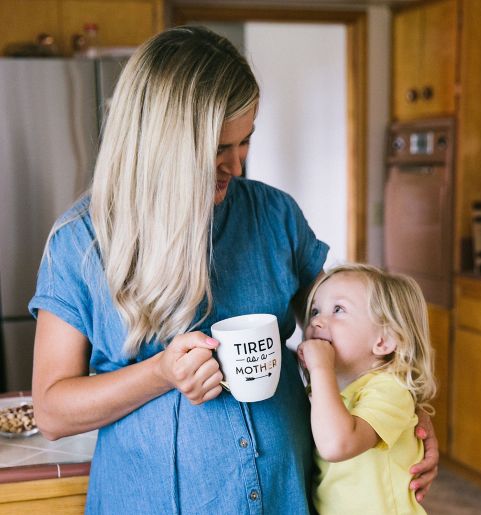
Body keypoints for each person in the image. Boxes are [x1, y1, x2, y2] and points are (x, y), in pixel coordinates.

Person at [29, 26, 438, 514]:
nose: (237, 166)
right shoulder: (81, 241)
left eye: (244, 142)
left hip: (284, 497)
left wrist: (404, 411)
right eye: (218, 149)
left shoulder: (274, 216)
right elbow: (52, 410)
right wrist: (162, 373)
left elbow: (354, 328)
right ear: (162, 144)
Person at [297, 264, 438, 514]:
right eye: (316, 310)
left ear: (383, 341)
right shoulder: (327, 387)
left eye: (338, 309)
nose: (317, 320)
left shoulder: (391, 390)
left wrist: (320, 369)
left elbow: (336, 445)